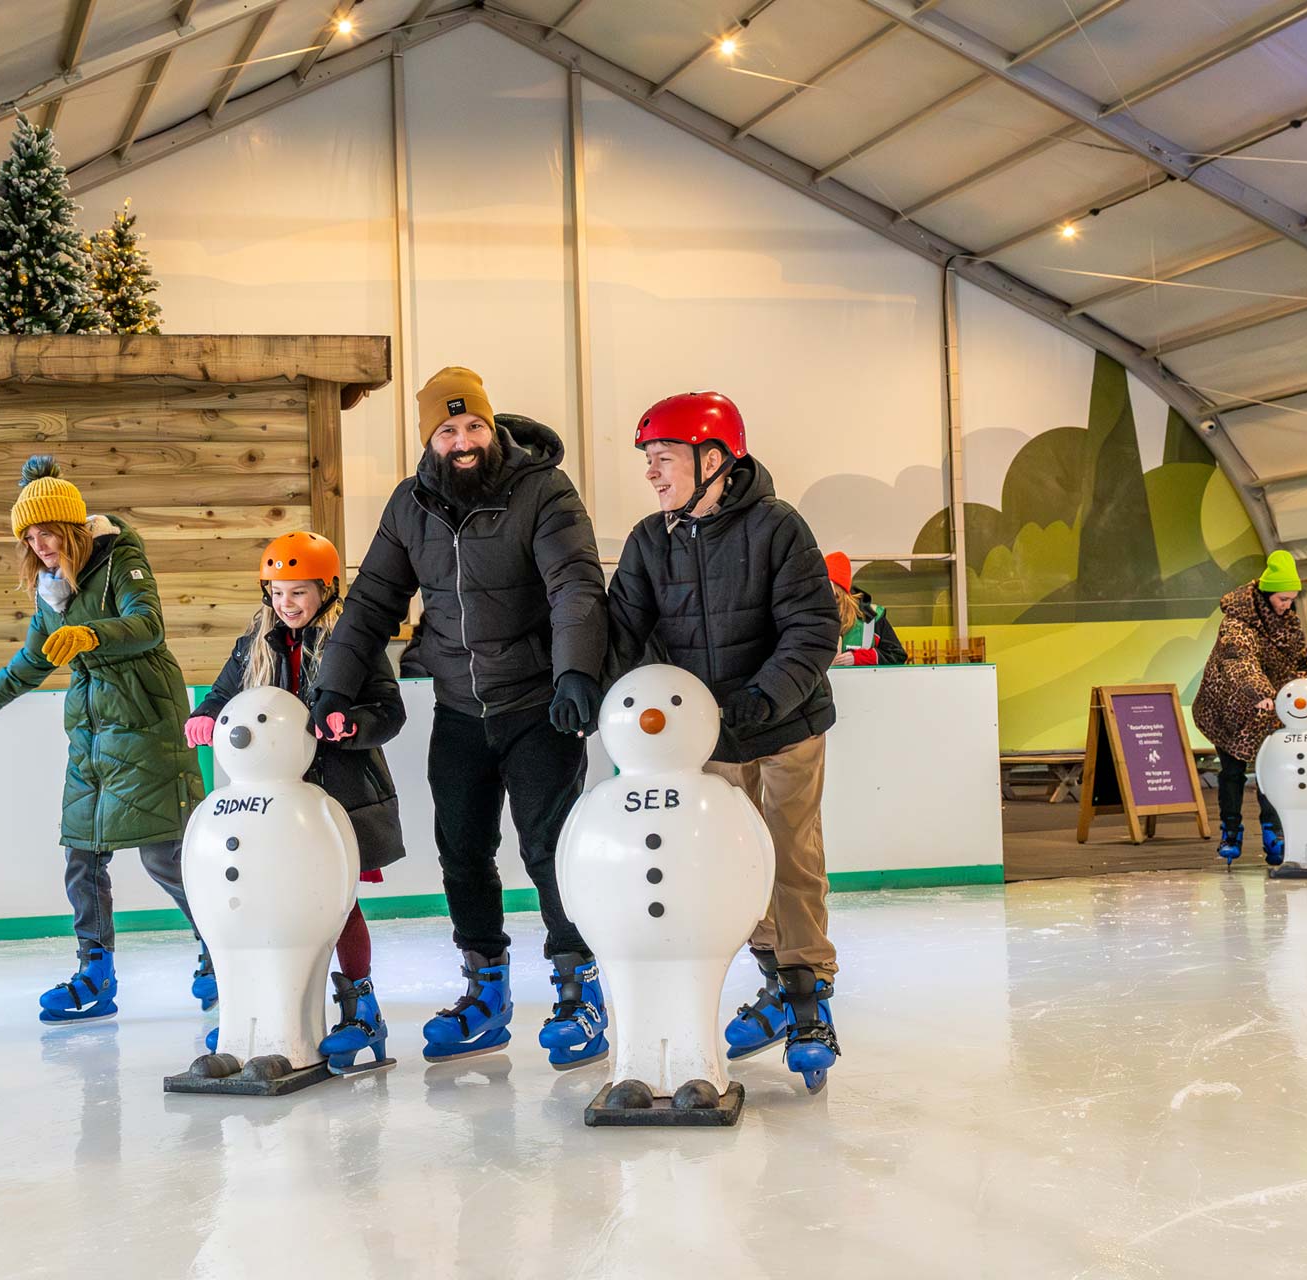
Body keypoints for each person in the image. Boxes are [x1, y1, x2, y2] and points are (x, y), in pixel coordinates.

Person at [309, 366, 611, 1068]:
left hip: (540, 706)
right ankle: (486, 991)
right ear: (429, 439)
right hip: (459, 711)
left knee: (550, 853)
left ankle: (579, 991)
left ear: (492, 424)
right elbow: (372, 603)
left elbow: (574, 584)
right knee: (463, 853)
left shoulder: (542, 490)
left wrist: (574, 672)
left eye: (473, 425)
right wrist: (331, 690)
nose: (464, 440)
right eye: (448, 430)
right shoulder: (410, 504)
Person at [604, 391, 843, 1094]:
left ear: (714, 459)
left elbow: (812, 629)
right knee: (731, 868)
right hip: (704, 737)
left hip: (785, 726)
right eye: (647, 459)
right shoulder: (652, 541)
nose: (651, 472)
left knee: (791, 853)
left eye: (665, 457)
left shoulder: (777, 528)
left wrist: (760, 701)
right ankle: (774, 981)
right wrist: (590, 692)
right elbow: (623, 633)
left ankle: (808, 1000)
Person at [0, 456, 209, 1024]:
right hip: (91, 731)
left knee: (165, 853)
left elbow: (149, 626)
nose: (40, 545)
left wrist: (93, 632)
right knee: (81, 853)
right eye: (30, 536)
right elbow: (33, 659)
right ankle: (96, 971)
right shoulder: (49, 587)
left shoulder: (120, 557)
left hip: (145, 716)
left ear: (70, 526)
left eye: (48, 532)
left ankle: (220, 951)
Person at [186, 531, 407, 1072]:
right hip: (268, 807)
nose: (287, 604)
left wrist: (351, 725)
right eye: (279, 592)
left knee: (335, 904)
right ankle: (258, 1011)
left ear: (327, 590)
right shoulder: (254, 642)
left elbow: (390, 711)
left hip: (336, 799)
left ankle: (361, 1008)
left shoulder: (353, 642)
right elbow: (222, 694)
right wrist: (206, 716)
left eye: (299, 593)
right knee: (266, 901)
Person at [1192, 550, 1307, 867]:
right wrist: (1259, 691)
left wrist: (1305, 689)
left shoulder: (1287, 621)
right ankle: (1231, 832)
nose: (1288, 605)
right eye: (1284, 599)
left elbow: (1301, 661)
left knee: (1271, 773)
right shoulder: (1237, 622)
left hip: (1269, 710)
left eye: (1292, 599)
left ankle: (1273, 833)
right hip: (1229, 706)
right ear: (1268, 593)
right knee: (1232, 772)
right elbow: (1238, 658)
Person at [825, 552, 907, 667]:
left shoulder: (871, 617)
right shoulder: (811, 615)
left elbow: (897, 655)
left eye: (835, 595)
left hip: (863, 683)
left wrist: (860, 658)